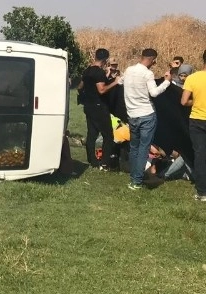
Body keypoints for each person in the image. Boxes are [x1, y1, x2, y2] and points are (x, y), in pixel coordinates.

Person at [122, 48, 172, 189]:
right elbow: (154, 93)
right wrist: (167, 81)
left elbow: (120, 82)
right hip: (146, 114)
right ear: (152, 60)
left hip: (132, 114)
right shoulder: (148, 73)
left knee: (134, 147)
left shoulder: (128, 70)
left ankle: (134, 175)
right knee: (144, 148)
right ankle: (136, 180)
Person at [80, 48, 121, 170]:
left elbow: (79, 86)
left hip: (88, 106)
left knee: (92, 134)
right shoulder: (99, 72)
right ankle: (104, 163)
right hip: (99, 107)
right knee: (108, 135)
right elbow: (102, 90)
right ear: (106, 60)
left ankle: (92, 161)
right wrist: (115, 82)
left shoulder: (87, 71)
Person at [180, 48, 206, 201]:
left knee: (200, 155)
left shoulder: (192, 78)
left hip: (197, 120)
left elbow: (184, 101)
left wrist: (195, 101)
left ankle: (202, 192)